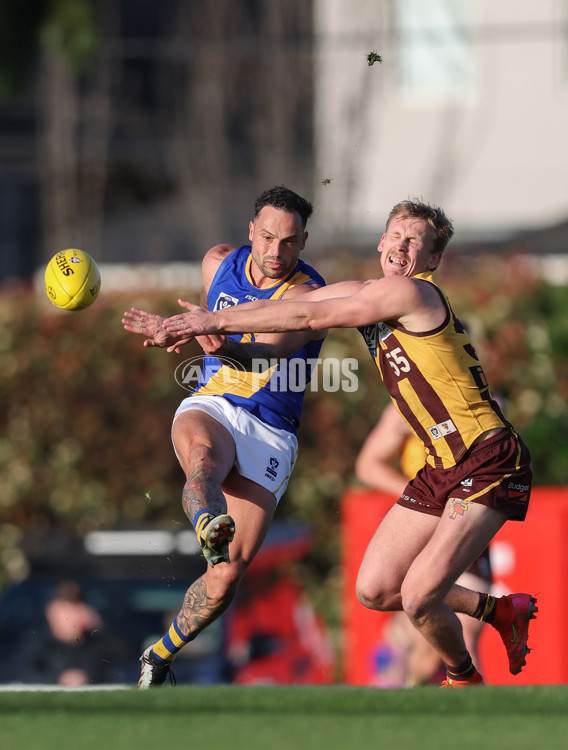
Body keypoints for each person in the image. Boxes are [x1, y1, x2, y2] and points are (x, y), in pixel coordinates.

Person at [160, 199, 537, 688]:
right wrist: (208, 321)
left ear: (433, 261)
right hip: (441, 465)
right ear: (380, 241)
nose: (401, 248)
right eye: (395, 237)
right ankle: (502, 611)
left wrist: (210, 323)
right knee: (376, 590)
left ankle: (464, 684)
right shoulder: (371, 290)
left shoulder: (411, 293)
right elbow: (288, 308)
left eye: (415, 243)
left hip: (487, 458)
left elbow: (315, 319)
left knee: (420, 596)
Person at [122, 185, 326, 688]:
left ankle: (158, 656)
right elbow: (211, 333)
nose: (276, 252)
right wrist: (189, 330)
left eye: (290, 242)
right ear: (250, 232)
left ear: (304, 242)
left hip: (272, 430)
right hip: (214, 403)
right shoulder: (218, 264)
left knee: (228, 575)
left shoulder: (307, 296)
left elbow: (264, 359)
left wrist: (207, 336)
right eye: (268, 237)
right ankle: (209, 522)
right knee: (204, 462)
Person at [355, 401, 492, 685]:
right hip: (424, 528)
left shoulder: (481, 402)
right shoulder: (406, 407)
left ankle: (482, 720)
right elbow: (368, 465)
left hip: (463, 523)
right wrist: (421, 500)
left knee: (461, 636)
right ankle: (386, 715)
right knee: (406, 641)